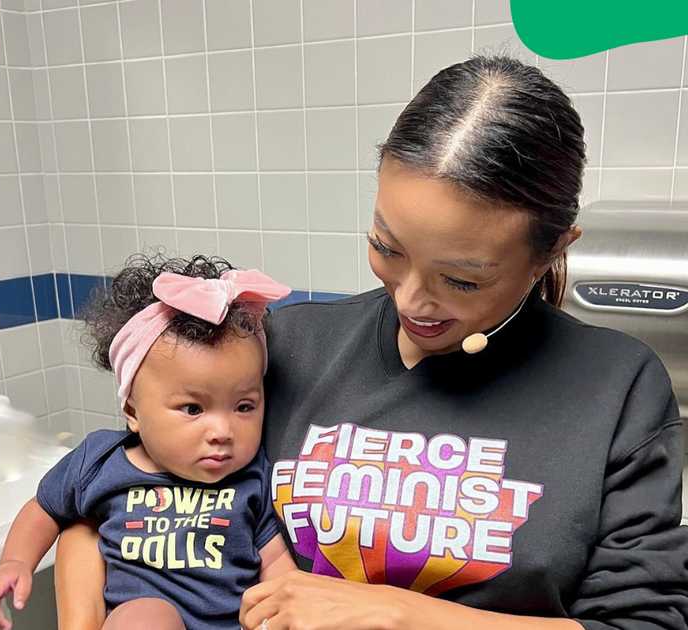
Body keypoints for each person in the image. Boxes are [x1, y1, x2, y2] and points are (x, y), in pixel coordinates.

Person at [56, 55, 688, 629]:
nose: (411, 299)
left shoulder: (616, 386)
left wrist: (400, 615)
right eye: (388, 248)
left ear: (550, 250)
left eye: (462, 279)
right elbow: (117, 501)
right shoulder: (286, 347)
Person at [0, 255, 297, 630]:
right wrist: (14, 563)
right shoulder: (101, 462)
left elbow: (274, 562)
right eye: (193, 408)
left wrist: (286, 607)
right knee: (147, 617)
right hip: (144, 617)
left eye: (244, 406)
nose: (222, 430)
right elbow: (43, 510)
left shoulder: (252, 477)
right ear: (133, 410)